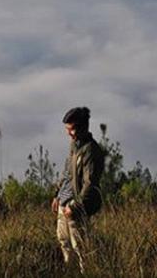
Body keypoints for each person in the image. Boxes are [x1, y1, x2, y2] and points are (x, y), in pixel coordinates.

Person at [51, 107, 104, 272]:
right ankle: (71, 272)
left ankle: (87, 273)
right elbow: (67, 173)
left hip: (76, 207)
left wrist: (74, 207)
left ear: (83, 127)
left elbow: (90, 183)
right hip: (64, 204)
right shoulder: (74, 145)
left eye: (72, 129)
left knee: (81, 247)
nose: (69, 133)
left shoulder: (91, 150)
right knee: (64, 242)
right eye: (67, 129)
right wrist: (57, 195)